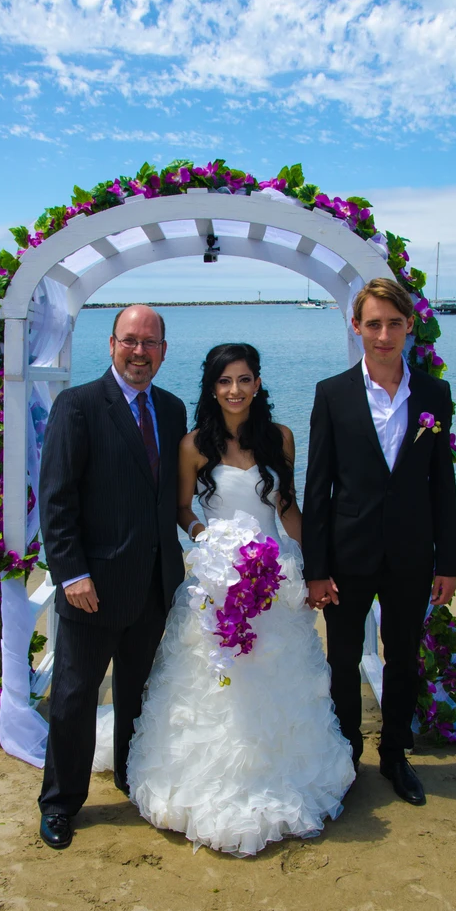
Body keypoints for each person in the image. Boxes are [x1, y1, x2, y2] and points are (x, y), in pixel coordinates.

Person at [126, 343, 355, 856]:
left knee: (278, 681)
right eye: (226, 381)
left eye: (245, 379)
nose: (235, 390)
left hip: (274, 581)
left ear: (257, 384)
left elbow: (288, 510)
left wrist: (317, 565)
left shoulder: (280, 439)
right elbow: (184, 508)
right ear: (212, 387)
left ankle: (282, 776)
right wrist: (208, 542)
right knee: (215, 684)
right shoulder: (192, 445)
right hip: (216, 582)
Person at [302, 277, 456, 807]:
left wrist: (448, 560)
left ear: (410, 327)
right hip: (347, 556)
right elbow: (317, 488)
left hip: (413, 555)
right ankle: (347, 755)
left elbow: (442, 485)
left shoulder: (434, 395)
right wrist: (315, 569)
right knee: (342, 659)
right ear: (357, 327)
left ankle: (395, 753)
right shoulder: (331, 393)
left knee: (403, 660)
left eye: (394, 323)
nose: (384, 334)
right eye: (374, 324)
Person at [36, 304, 187, 849]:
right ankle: (59, 803)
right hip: (91, 590)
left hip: (153, 584)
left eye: (150, 343)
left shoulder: (172, 410)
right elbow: (56, 500)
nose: (140, 352)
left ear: (164, 351)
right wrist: (70, 572)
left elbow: (172, 494)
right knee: (74, 698)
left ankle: (130, 777)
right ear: (111, 345)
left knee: (137, 691)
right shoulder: (77, 407)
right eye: (131, 340)